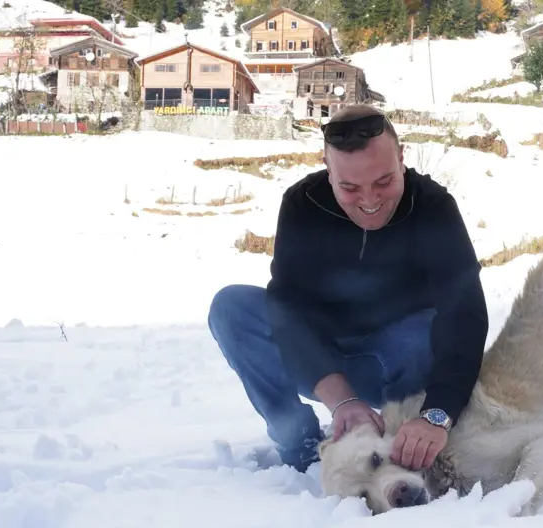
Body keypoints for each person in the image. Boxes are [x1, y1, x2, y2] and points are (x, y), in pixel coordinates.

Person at [207, 104, 490, 474]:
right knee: (231, 307)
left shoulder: (433, 207)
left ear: (402, 157)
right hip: (320, 360)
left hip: (398, 364)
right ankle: (299, 442)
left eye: (384, 181)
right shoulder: (302, 204)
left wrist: (438, 414)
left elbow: (464, 313)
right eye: (349, 187)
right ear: (328, 169)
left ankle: (401, 438)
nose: (370, 202)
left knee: (421, 330)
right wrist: (340, 400)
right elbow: (287, 305)